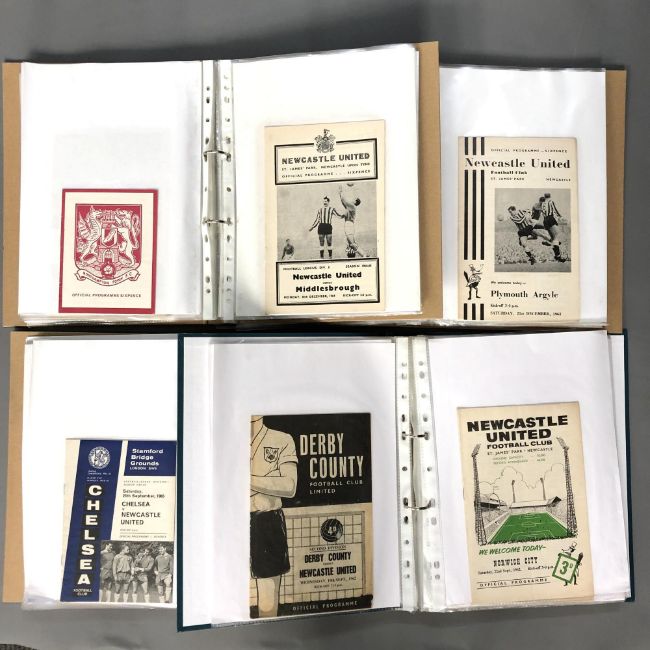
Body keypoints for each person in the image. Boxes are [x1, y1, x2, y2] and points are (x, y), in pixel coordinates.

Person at [250, 416, 298, 618]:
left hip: (266, 520)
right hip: (229, 520)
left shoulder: (281, 439)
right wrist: (266, 483)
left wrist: (245, 479)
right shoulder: (221, 437)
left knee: (268, 602)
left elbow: (289, 486)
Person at [338, 185, 366, 258]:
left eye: (354, 199)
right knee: (351, 244)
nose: (352, 199)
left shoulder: (352, 206)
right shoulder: (350, 207)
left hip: (349, 225)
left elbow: (344, 200)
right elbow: (343, 202)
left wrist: (341, 192)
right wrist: (340, 194)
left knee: (352, 244)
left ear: (355, 201)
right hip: (349, 225)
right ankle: (354, 256)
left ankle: (364, 255)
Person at [540, 192, 566, 262]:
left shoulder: (542, 203)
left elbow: (542, 212)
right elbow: (555, 210)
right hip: (550, 218)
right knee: (556, 237)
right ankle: (557, 256)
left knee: (554, 237)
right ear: (550, 196)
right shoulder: (551, 202)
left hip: (545, 220)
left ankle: (549, 242)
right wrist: (560, 216)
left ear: (544, 196)